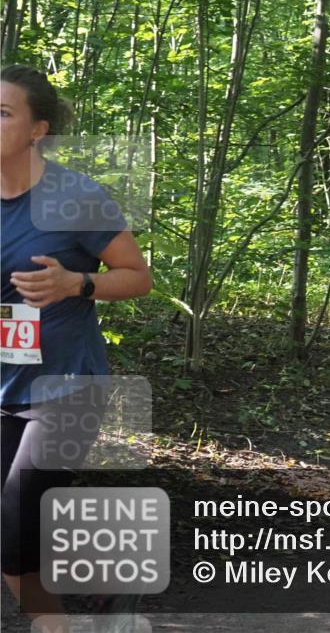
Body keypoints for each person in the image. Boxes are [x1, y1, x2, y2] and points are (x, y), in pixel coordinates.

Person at [1, 65, 153, 632]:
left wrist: (76, 283)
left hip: (67, 386)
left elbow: (137, 276)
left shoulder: (76, 198)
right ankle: (94, 608)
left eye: (2, 112)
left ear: (37, 129)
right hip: (3, 385)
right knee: (11, 530)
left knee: (15, 515)